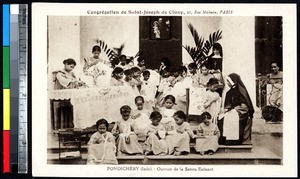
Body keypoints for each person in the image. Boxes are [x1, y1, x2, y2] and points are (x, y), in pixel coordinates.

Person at [219, 73, 254, 145]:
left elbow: (245, 106)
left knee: (231, 118)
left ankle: (235, 141)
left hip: (241, 112)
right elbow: (227, 105)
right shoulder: (229, 92)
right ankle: (226, 140)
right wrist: (226, 109)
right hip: (232, 112)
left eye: (228, 81)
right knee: (221, 118)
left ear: (233, 81)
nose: (227, 83)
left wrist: (235, 110)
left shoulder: (241, 91)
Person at [51, 58, 85, 129]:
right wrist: (74, 82)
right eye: (71, 66)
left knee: (72, 111)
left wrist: (79, 83)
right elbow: (64, 82)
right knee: (63, 112)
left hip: (70, 97)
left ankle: (71, 129)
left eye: (73, 67)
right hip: (61, 97)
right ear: (66, 64)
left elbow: (74, 83)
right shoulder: (59, 73)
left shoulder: (72, 74)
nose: (72, 69)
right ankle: (62, 130)